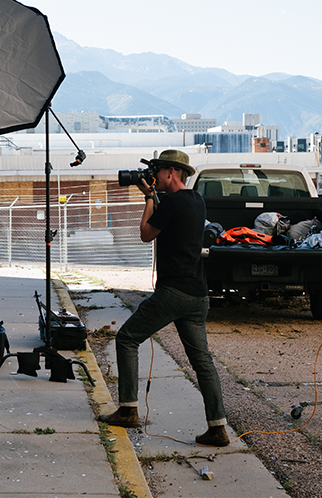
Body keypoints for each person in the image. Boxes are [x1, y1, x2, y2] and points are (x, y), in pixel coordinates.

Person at [97, 149, 231, 447]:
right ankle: (218, 428)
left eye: (157, 171)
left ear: (172, 172)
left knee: (127, 339)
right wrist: (154, 196)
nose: (153, 177)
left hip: (174, 292)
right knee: (202, 362)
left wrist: (147, 198)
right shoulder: (196, 200)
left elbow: (146, 233)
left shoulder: (169, 202)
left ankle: (129, 409)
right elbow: (171, 218)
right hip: (198, 294)